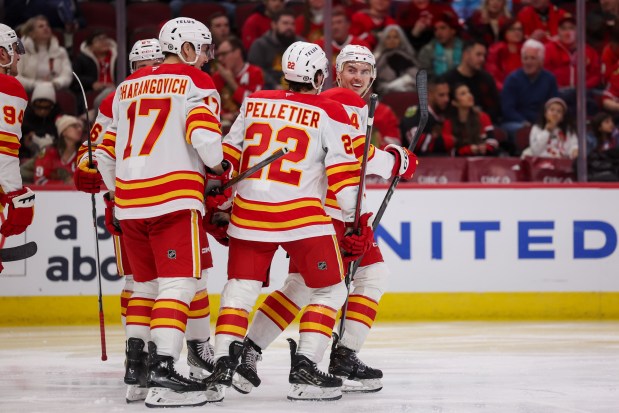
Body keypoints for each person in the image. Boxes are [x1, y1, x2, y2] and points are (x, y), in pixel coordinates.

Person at [229, 44, 417, 396]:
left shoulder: (341, 102)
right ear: (335, 72)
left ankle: (248, 351)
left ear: (373, 75)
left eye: (364, 71)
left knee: (302, 285)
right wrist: (396, 160)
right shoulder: (341, 102)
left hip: (323, 209)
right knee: (362, 278)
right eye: (351, 69)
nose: (357, 77)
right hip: (328, 212)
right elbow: (356, 155)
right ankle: (332, 358)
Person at [204, 41, 377, 402]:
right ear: (319, 75)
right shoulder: (330, 109)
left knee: (240, 289)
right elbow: (345, 175)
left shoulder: (254, 101)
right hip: (302, 217)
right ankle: (307, 367)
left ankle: (223, 364)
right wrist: (356, 222)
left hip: (250, 216)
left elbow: (229, 154)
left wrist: (220, 196)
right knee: (331, 289)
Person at [75, 38, 219, 402]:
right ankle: (164, 368)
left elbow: (96, 156)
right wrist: (218, 168)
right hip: (172, 197)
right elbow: (207, 144)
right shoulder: (191, 81)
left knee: (144, 284)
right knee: (182, 283)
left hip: (129, 202)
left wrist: (114, 193)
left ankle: (137, 366)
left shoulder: (120, 92)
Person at [0, 23, 35, 274]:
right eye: (14, 49)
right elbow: (4, 150)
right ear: (2, 53)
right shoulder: (8, 86)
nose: (19, 55)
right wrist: (15, 194)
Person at [501, 39, 559, 144]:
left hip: (542, 121)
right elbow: (507, 109)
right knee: (525, 131)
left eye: (533, 58)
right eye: (525, 58)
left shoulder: (550, 79)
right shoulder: (512, 79)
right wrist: (524, 122)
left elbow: (553, 104)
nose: (528, 62)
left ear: (541, 61)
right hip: (518, 122)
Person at [544, 14, 601, 116]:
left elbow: (596, 75)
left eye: (571, 28)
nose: (567, 32)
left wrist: (580, 88)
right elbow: (545, 73)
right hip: (557, 93)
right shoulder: (548, 49)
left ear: (578, 31)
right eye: (563, 28)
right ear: (558, 31)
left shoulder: (589, 51)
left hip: (582, 93)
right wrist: (556, 87)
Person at [443, 39, 501, 122]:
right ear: (466, 54)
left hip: (483, 123)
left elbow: (496, 107)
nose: (482, 59)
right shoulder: (448, 79)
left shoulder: (487, 79)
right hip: (456, 124)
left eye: (484, 55)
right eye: (478, 55)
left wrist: (482, 116)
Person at [211, 36, 264, 126]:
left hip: (248, 124)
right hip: (223, 126)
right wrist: (222, 115)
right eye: (218, 55)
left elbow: (255, 105)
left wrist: (231, 82)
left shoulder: (255, 73)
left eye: (223, 54)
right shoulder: (217, 76)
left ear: (237, 52)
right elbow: (211, 104)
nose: (220, 59)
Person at [15, 15, 72, 93]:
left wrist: (55, 84)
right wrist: (36, 85)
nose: (46, 28)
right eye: (41, 26)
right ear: (31, 33)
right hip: (28, 92)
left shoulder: (61, 52)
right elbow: (15, 77)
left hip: (56, 91)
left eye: (47, 25)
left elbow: (67, 75)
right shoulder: (20, 52)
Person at [247, 9, 302, 90]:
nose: (289, 27)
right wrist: (274, 85)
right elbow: (256, 70)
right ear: (274, 25)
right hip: (268, 89)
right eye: (285, 23)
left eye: (292, 24)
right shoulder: (259, 45)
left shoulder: (301, 45)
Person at [400, 75, 452, 155]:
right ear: (429, 95)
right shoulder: (416, 113)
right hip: (418, 163)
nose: (446, 99)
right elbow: (415, 141)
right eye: (441, 95)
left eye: (447, 95)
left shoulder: (448, 112)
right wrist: (447, 141)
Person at [443, 83, 497, 156]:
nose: (469, 95)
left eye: (469, 92)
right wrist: (468, 150)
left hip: (482, 159)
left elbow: (492, 141)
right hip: (457, 163)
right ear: (454, 102)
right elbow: (447, 151)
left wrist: (485, 148)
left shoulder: (483, 117)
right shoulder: (448, 123)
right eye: (463, 94)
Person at [71, 30, 117, 113]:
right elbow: (75, 78)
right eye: (98, 40)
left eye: (105, 39)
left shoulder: (119, 57)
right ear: (90, 46)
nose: (103, 42)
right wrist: (92, 83)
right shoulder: (82, 59)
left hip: (116, 90)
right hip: (92, 91)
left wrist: (117, 84)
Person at [34, 115, 82, 185]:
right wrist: (64, 184)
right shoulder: (47, 152)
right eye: (74, 126)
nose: (79, 129)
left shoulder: (84, 155)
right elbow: (39, 181)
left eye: (80, 126)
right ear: (63, 132)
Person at [373, 25, 419, 95]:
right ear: (383, 39)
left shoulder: (407, 56)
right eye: (388, 37)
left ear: (401, 39)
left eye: (395, 37)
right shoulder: (376, 58)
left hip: (408, 93)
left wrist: (402, 82)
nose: (392, 40)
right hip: (383, 95)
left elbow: (416, 76)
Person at [20, 81, 61, 160]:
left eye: (46, 108)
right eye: (39, 107)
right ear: (33, 105)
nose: (42, 111)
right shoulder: (24, 118)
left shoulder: (57, 117)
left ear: (52, 106)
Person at [418, 10, 464, 77]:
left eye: (443, 28)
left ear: (453, 31)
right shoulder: (427, 51)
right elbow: (422, 79)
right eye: (436, 29)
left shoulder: (466, 49)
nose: (438, 33)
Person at [485, 18, 524, 91]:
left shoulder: (526, 50)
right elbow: (492, 76)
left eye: (519, 29)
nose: (517, 32)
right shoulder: (496, 51)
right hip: (503, 91)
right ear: (504, 32)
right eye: (512, 29)